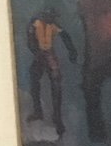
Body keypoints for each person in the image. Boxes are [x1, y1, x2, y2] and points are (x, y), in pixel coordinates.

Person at [24, 8, 77, 137]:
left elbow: (65, 36)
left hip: (49, 54)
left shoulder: (53, 25)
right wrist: (36, 52)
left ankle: (57, 118)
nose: (52, 20)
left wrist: (72, 51)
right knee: (34, 80)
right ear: (44, 16)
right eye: (49, 17)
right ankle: (38, 111)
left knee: (56, 83)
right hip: (39, 54)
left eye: (52, 18)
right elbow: (30, 40)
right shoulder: (35, 24)